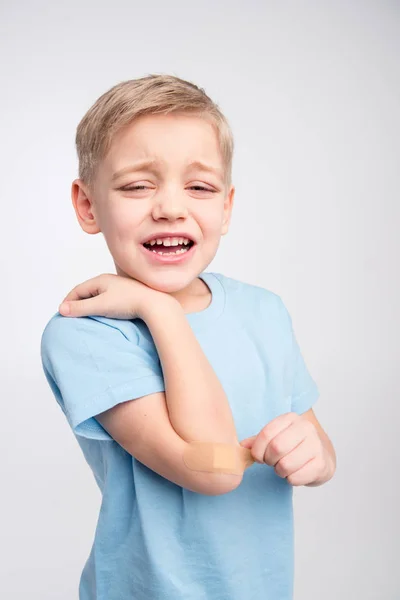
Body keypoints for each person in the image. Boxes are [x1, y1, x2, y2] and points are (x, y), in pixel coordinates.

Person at [40, 74, 336, 600]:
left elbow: (318, 445)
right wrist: (160, 311)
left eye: (199, 187)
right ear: (88, 206)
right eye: (137, 185)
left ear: (225, 207)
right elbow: (214, 467)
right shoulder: (86, 335)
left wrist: (315, 457)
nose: (171, 208)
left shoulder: (263, 311)